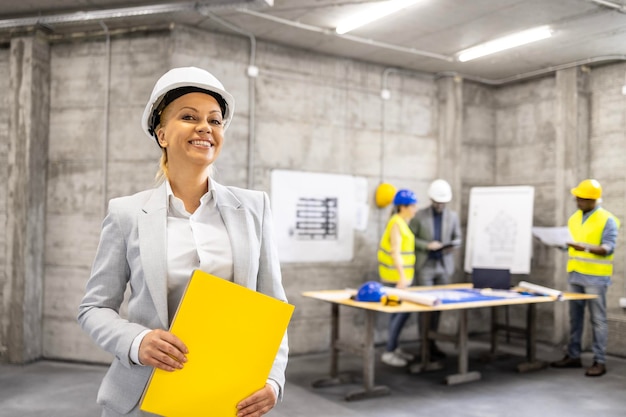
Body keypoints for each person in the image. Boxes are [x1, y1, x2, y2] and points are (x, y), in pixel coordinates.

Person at [77, 67, 289, 416]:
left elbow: (273, 308)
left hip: (229, 397)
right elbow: (94, 308)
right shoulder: (127, 213)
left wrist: (273, 379)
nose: (205, 127)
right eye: (189, 117)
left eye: (215, 120)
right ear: (161, 134)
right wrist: (136, 340)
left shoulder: (254, 208)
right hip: (146, 398)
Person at [551, 179, 619, 377]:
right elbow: (570, 244)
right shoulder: (574, 218)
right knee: (575, 318)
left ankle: (600, 361)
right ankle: (573, 356)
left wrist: (585, 247)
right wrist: (558, 243)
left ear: (593, 200)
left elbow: (608, 248)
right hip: (575, 275)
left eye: (581, 199)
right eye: (577, 198)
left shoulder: (608, 219)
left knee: (598, 320)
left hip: (596, 279)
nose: (577, 201)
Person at [408, 179, 462, 359]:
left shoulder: (452, 217)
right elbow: (410, 239)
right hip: (426, 265)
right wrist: (426, 245)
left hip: (444, 265)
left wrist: (452, 246)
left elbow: (458, 238)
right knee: (424, 305)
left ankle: (433, 343)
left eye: (443, 202)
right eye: (437, 202)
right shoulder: (419, 216)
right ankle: (423, 344)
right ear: (431, 200)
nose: (440, 205)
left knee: (438, 306)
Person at [377, 189, 419, 367]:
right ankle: (389, 351)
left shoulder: (401, 222)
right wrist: (402, 278)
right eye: (413, 205)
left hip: (402, 278)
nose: (415, 209)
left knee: (401, 314)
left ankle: (394, 348)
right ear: (403, 207)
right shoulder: (396, 223)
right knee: (397, 314)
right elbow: (395, 252)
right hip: (395, 279)